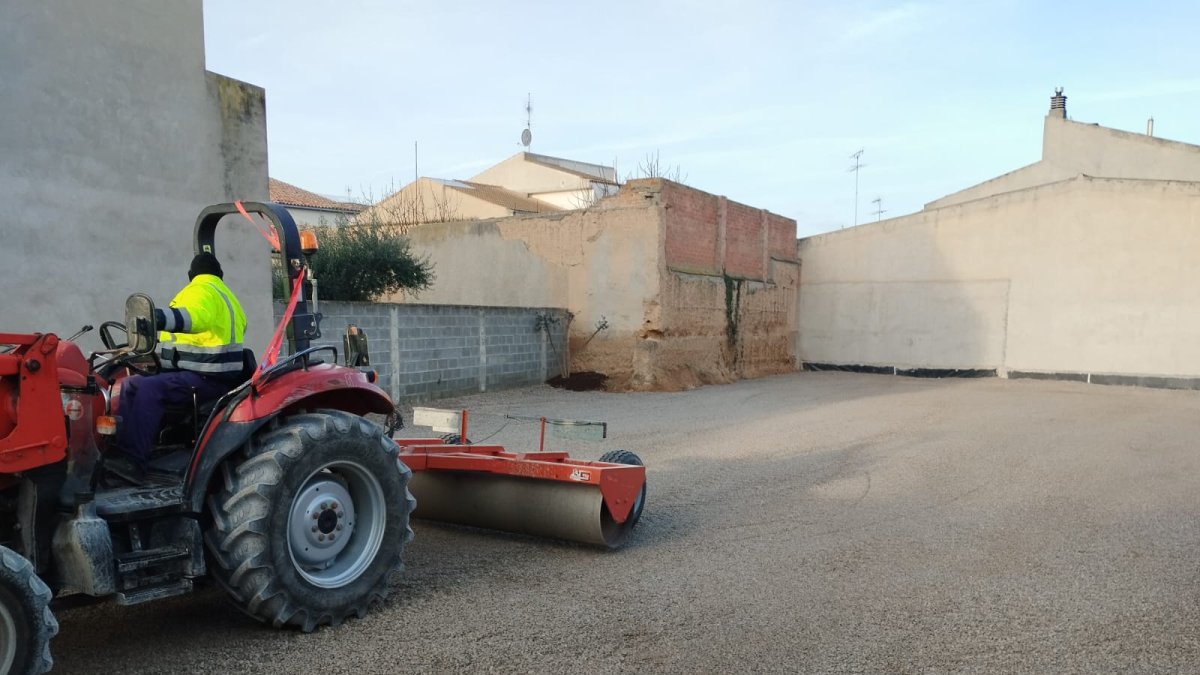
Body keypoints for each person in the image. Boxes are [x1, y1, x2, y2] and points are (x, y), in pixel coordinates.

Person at [108, 252, 247, 483]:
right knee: (130, 383)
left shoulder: (203, 291)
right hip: (208, 374)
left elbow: (193, 318)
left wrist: (155, 318)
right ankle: (122, 450)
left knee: (150, 389)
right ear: (220, 274)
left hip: (207, 378)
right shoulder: (228, 297)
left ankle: (133, 461)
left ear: (192, 274)